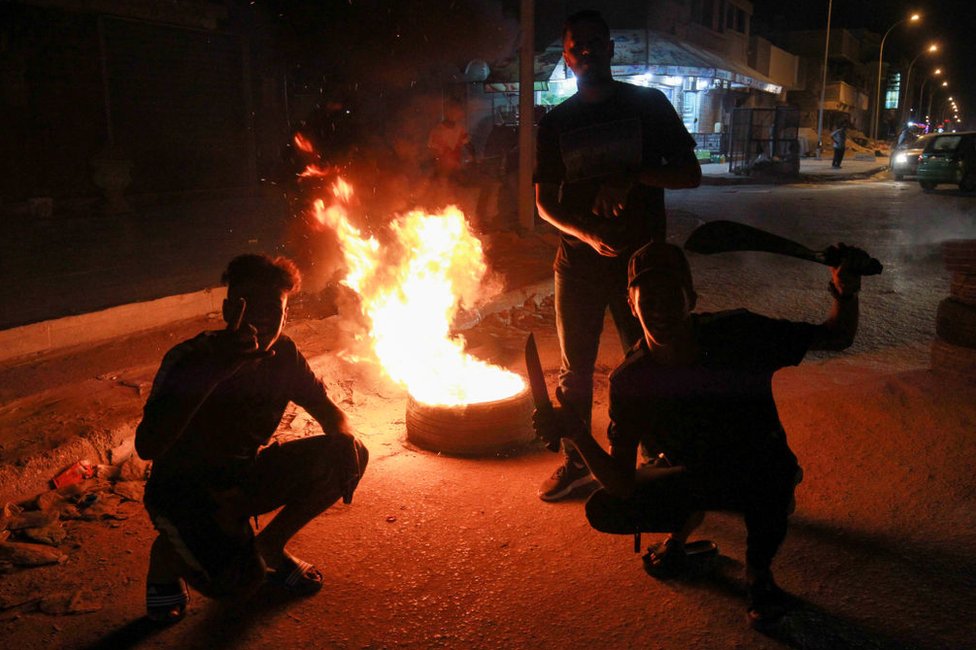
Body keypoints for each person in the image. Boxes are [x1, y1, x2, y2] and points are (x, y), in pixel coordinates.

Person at [534, 240, 873, 627]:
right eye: (648, 302)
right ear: (631, 306)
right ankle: (680, 534)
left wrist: (846, 290)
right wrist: (577, 433)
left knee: (769, 481)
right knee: (608, 507)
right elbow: (622, 484)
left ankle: (758, 574)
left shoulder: (737, 333)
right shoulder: (630, 380)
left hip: (753, 459)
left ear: (691, 299)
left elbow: (836, 336)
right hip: (687, 468)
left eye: (671, 298)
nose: (660, 311)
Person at [135, 254, 368, 624]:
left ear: (286, 315)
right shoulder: (191, 359)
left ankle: (270, 545)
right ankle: (167, 557)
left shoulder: (284, 355)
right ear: (229, 310)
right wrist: (218, 371)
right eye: (249, 307)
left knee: (349, 452)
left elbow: (332, 413)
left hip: (242, 478)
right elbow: (147, 447)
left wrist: (342, 439)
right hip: (185, 491)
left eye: (273, 310)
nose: (261, 319)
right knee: (242, 585)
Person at [533, 9, 701, 501]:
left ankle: (658, 453)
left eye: (593, 42)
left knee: (649, 359)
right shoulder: (557, 123)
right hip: (578, 265)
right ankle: (578, 460)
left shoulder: (649, 105)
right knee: (575, 369)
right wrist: (586, 233)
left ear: (610, 48)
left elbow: (690, 173)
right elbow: (544, 205)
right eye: (575, 45)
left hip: (642, 266)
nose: (585, 51)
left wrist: (634, 176)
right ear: (566, 56)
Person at [427, 98, 477, 182]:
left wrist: (473, 158)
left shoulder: (460, 129)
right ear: (448, 112)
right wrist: (437, 168)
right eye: (456, 111)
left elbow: (468, 145)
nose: (460, 114)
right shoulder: (437, 131)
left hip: (456, 169)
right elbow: (432, 152)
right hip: (442, 170)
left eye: (459, 110)